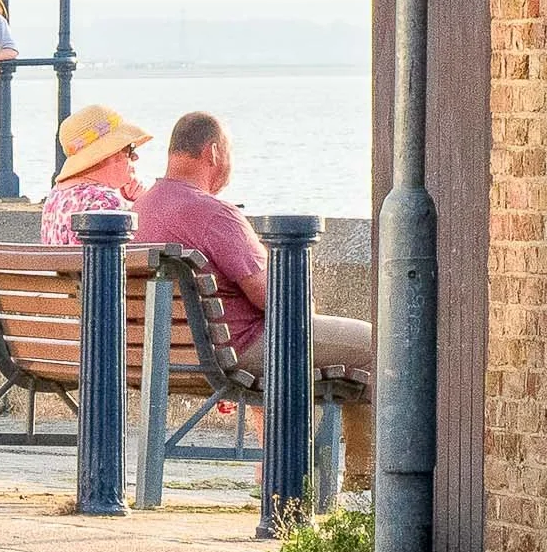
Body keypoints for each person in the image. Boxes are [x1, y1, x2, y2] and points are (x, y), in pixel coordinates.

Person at [134, 110, 374, 486]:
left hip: (159, 353)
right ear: (213, 153)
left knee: (359, 356)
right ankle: (368, 485)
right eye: (229, 151)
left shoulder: (142, 209)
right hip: (238, 350)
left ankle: (360, 480)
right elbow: (280, 300)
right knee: (380, 346)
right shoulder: (213, 213)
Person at [40, 104, 151, 245]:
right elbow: (136, 256)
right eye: (129, 149)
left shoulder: (56, 194)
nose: (135, 157)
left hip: (63, 267)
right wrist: (142, 204)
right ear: (108, 155)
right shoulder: (104, 202)